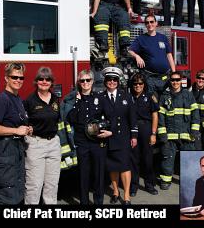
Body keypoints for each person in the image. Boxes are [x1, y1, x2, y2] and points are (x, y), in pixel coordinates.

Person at [0, 62, 32, 205]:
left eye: (21, 78)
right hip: (4, 155)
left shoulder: (17, 99)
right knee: (5, 199)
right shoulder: (2, 99)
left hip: (16, 153)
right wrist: (16, 130)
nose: (18, 80)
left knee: (16, 197)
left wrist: (26, 128)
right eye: (14, 77)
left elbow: (14, 123)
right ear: (6, 78)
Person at [68, 70, 112, 205]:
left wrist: (110, 132)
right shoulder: (73, 99)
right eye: (82, 81)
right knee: (83, 175)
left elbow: (111, 118)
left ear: (92, 82)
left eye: (88, 80)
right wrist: (77, 102)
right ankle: (84, 203)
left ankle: (99, 203)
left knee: (99, 175)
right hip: (81, 142)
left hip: (98, 142)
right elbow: (70, 118)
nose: (85, 83)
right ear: (78, 83)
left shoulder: (100, 98)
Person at [101, 66, 138, 205]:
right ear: (105, 81)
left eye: (115, 79)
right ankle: (115, 191)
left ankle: (126, 195)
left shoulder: (126, 96)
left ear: (118, 81)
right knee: (112, 167)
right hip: (108, 138)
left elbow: (132, 117)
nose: (112, 82)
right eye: (109, 79)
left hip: (123, 137)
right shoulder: (101, 97)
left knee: (124, 166)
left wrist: (134, 136)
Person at [23, 67, 61, 204]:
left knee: (52, 185)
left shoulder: (56, 99)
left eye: (48, 79)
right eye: (41, 79)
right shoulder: (30, 101)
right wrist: (27, 128)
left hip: (54, 144)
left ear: (52, 82)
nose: (44, 81)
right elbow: (22, 121)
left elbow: (59, 120)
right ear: (36, 81)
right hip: (35, 144)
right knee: (34, 185)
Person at [158, 71, 200, 190]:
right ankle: (166, 180)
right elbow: (160, 116)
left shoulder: (188, 95)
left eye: (177, 80)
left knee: (188, 159)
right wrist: (162, 134)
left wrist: (194, 130)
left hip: (186, 135)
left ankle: (188, 180)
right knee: (167, 158)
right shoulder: (164, 96)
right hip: (170, 136)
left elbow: (195, 113)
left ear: (181, 80)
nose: (175, 82)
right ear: (170, 81)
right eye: (173, 80)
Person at [128, 15, 175, 99]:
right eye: (147, 22)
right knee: (152, 101)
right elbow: (130, 50)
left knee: (166, 100)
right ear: (145, 25)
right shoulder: (141, 39)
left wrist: (174, 73)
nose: (149, 24)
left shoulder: (163, 38)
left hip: (165, 77)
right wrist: (137, 56)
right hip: (150, 78)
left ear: (156, 23)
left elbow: (169, 55)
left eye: (152, 22)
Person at [129, 73, 158, 197]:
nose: (138, 86)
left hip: (146, 129)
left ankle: (149, 185)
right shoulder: (128, 97)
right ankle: (133, 186)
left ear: (144, 84)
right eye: (135, 84)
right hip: (133, 131)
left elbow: (155, 116)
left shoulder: (150, 96)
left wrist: (153, 134)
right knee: (134, 160)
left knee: (148, 160)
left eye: (140, 83)